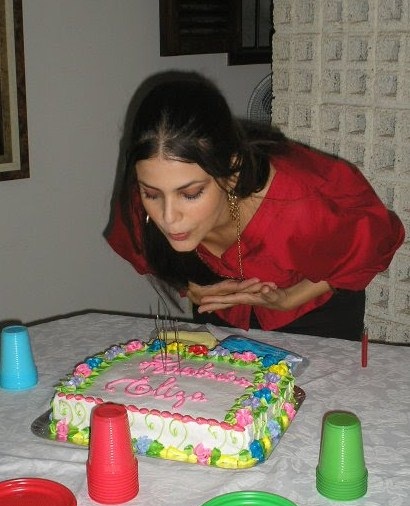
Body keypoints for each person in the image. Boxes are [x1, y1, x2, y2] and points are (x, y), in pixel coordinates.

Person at [106, 71, 405, 341]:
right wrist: (190, 287)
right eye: (152, 194)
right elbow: (141, 247)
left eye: (191, 194)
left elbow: (375, 243)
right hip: (221, 311)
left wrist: (288, 299)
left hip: (313, 315)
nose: (168, 217)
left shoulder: (298, 204)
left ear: (232, 173)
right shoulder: (144, 195)